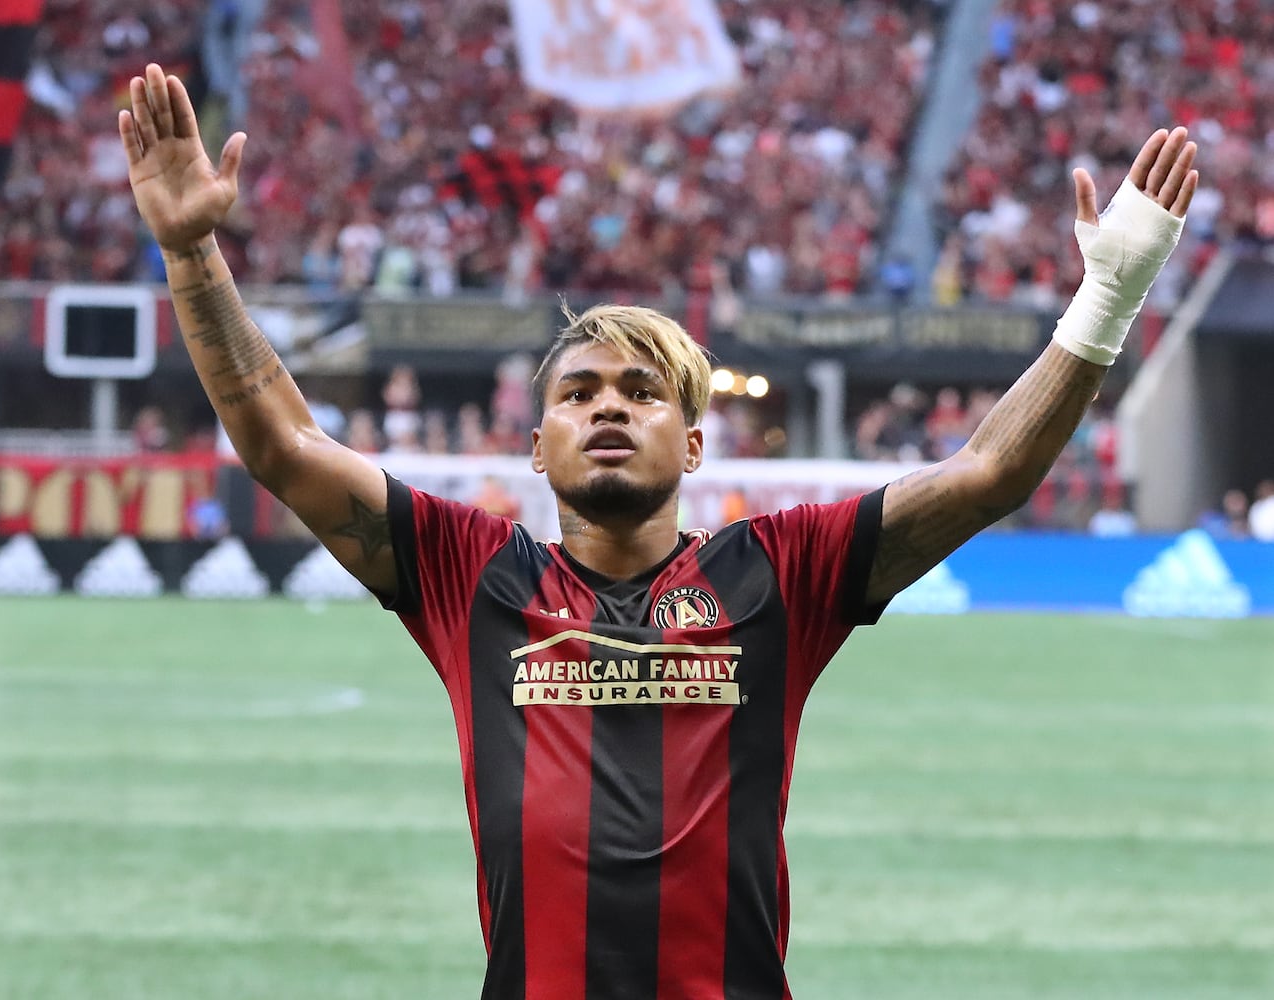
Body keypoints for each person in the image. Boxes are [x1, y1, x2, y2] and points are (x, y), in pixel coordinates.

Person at [119, 63, 1197, 999]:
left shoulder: (782, 571)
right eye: (578, 391)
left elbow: (991, 469)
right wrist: (190, 254)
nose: (607, 406)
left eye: (642, 392)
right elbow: (283, 446)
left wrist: (1106, 297)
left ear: (691, 447)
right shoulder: (470, 574)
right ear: (535, 448)